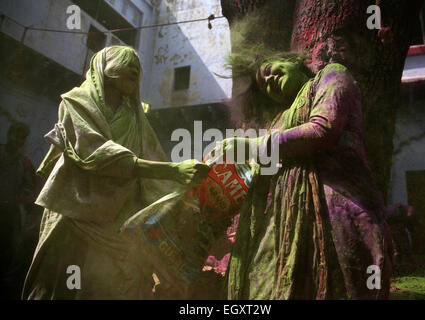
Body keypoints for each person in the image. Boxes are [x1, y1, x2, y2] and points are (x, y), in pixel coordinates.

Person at [22, 46, 210, 300]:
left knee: (115, 284)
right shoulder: (76, 101)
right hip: (74, 214)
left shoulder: (135, 119)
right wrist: (174, 171)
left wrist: (184, 195)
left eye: (137, 66)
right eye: (126, 63)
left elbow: (153, 160)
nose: (135, 69)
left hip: (118, 222)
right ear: (104, 68)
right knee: (63, 286)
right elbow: (100, 155)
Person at [219, 52, 393, 299]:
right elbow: (262, 172)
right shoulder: (280, 121)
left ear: (292, 60)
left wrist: (252, 145)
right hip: (286, 227)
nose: (269, 81)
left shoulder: (332, 75)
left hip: (340, 210)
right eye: (263, 85)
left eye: (269, 70)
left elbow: (322, 129)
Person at [0, 122, 39, 299]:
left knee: (6, 253)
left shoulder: (24, 163)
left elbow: (30, 188)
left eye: (22, 137)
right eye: (16, 135)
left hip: (8, 216)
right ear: (9, 134)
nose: (18, 140)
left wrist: (23, 198)